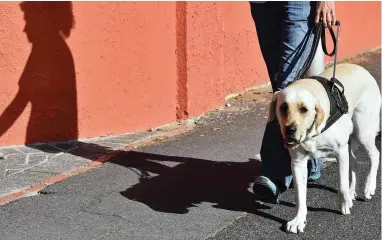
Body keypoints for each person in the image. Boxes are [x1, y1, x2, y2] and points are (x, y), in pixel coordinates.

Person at [250, 1, 337, 203]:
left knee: (286, 86)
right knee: (279, 85)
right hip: (262, 5)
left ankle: (274, 173)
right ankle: (311, 160)